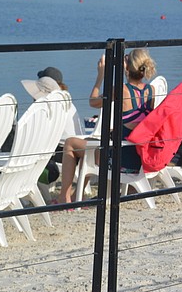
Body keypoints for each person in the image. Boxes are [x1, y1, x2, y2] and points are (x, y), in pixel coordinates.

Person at [56, 50, 157, 203]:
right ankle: (79, 195)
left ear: (127, 68)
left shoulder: (121, 90)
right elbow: (138, 121)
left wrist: (100, 75)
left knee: (70, 143)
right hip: (138, 158)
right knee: (89, 143)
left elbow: (93, 102)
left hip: (120, 160)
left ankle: (64, 198)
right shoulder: (151, 91)